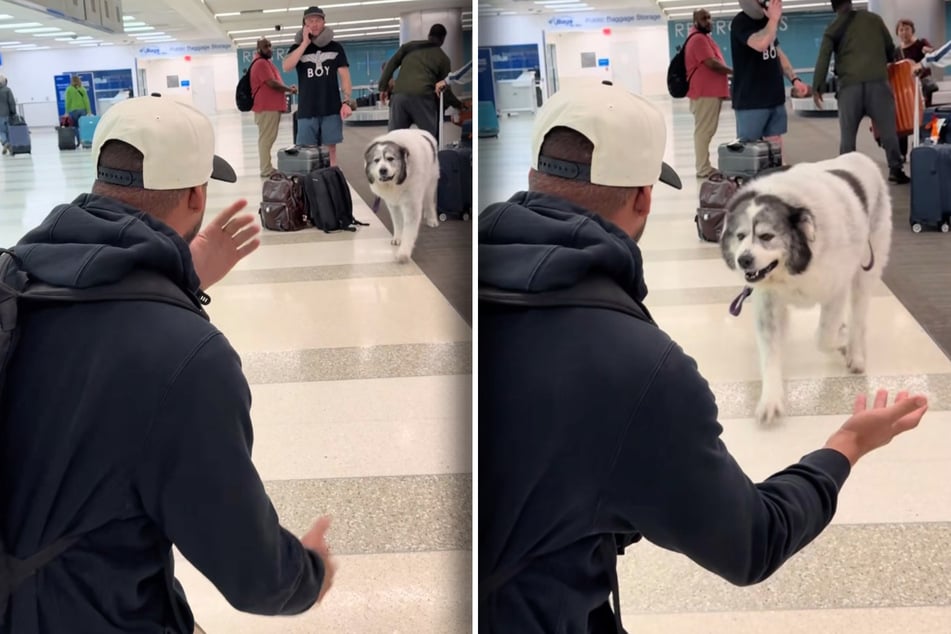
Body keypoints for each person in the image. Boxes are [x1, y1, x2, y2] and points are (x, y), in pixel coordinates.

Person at [477, 79, 930, 632]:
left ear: (533, 177)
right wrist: (848, 444)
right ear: (643, 197)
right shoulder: (639, 369)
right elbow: (752, 542)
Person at [0, 97, 336, 633]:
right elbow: (256, 576)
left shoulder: (14, 278)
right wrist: (309, 573)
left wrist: (178, 280)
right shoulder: (189, 357)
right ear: (197, 195)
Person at [811, 0, 910, 184]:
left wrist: (818, 87)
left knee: (847, 136)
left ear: (834, 7)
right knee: (889, 132)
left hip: (849, 88)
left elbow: (823, 56)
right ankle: (895, 169)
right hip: (878, 84)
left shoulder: (833, 27)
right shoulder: (874, 19)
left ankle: (847, 176)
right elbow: (890, 50)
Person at [730, 0, 807, 154]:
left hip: (774, 99)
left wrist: (794, 79)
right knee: (750, 150)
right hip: (751, 102)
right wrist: (773, 19)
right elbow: (761, 44)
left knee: (775, 146)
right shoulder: (741, 23)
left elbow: (778, 53)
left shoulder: (767, 23)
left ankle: (775, 172)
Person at [282, 5, 353, 167]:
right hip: (307, 110)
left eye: (318, 20)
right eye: (310, 21)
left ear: (324, 22)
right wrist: (304, 44)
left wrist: (347, 101)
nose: (314, 24)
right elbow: (287, 66)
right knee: (307, 152)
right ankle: (312, 185)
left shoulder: (335, 48)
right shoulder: (296, 48)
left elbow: (345, 77)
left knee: (331, 151)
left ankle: (331, 182)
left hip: (331, 108)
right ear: (304, 25)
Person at [378, 23, 463, 141]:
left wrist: (383, 88)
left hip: (399, 97)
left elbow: (390, 64)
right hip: (423, 99)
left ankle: (393, 158)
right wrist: (459, 105)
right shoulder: (443, 58)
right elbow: (445, 89)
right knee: (429, 141)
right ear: (443, 39)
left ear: (429, 35)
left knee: (394, 140)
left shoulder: (408, 47)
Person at [685, 8, 732, 178]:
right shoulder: (698, 39)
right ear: (695, 22)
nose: (708, 21)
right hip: (705, 93)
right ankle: (703, 168)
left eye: (709, 17)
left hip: (709, 92)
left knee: (705, 131)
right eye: (704, 18)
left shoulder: (703, 38)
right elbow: (712, 64)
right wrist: (734, 72)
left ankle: (704, 166)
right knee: (704, 131)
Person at [251, 36, 298, 177]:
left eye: (270, 45)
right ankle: (266, 169)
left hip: (269, 107)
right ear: (259, 49)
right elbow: (272, 83)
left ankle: (267, 167)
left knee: (267, 138)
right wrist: (289, 89)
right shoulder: (260, 64)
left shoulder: (264, 62)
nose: (270, 49)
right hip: (266, 107)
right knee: (266, 139)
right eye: (266, 46)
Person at [895, 18, 936, 161]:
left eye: (907, 29)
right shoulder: (897, 51)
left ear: (912, 30)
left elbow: (932, 54)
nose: (904, 32)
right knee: (903, 121)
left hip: (922, 88)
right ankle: (902, 153)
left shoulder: (921, 43)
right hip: (905, 91)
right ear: (897, 33)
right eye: (901, 29)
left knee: (924, 119)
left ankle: (921, 149)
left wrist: (928, 52)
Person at [65, 75, 92, 148]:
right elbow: (86, 100)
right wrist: (89, 111)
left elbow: (68, 101)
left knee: (75, 127)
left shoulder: (69, 89)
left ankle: (79, 141)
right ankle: (85, 141)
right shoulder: (82, 89)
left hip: (73, 110)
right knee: (83, 127)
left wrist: (66, 112)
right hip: (83, 110)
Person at [0, 74, 17, 155]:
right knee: (8, 131)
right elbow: (12, 102)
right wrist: (14, 112)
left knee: (1, 132)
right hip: (7, 114)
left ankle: (5, 143)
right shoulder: (7, 90)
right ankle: (9, 146)